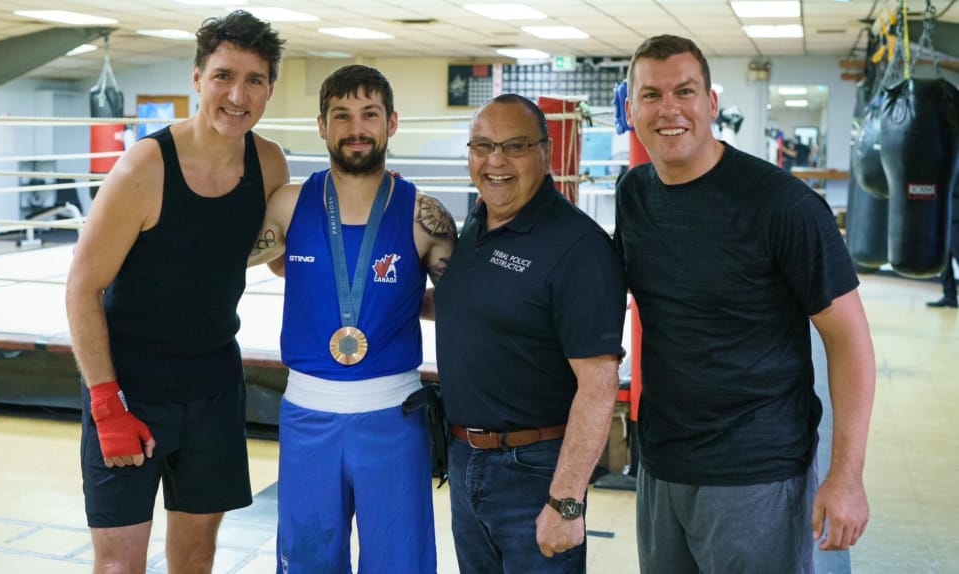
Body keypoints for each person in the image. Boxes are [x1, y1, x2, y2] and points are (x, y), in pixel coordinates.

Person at [616, 34, 876, 573]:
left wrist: (846, 476)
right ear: (630, 108)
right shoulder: (634, 194)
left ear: (711, 104)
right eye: (651, 95)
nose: (669, 110)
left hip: (756, 473)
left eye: (684, 92)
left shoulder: (783, 205)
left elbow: (848, 337)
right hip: (662, 464)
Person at [64, 11, 289, 573]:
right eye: (223, 76)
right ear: (196, 78)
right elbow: (82, 286)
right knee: (120, 565)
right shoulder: (144, 168)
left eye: (254, 80)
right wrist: (106, 402)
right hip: (130, 391)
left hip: (213, 389)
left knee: (196, 557)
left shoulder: (268, 163)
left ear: (269, 90)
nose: (237, 95)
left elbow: (281, 258)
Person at [247, 64, 456, 574]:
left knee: (399, 563)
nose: (356, 128)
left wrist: (406, 303)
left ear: (392, 123)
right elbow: (224, 260)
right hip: (307, 415)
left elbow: (466, 307)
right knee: (307, 562)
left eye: (369, 114)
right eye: (341, 115)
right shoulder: (290, 204)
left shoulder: (424, 215)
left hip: (394, 417)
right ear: (322, 125)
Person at [434, 94, 627, 573]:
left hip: (534, 471)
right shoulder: (479, 220)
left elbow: (599, 386)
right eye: (482, 146)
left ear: (545, 151)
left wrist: (566, 503)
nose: (495, 160)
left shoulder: (579, 248)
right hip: (465, 460)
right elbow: (471, 307)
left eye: (514, 146)